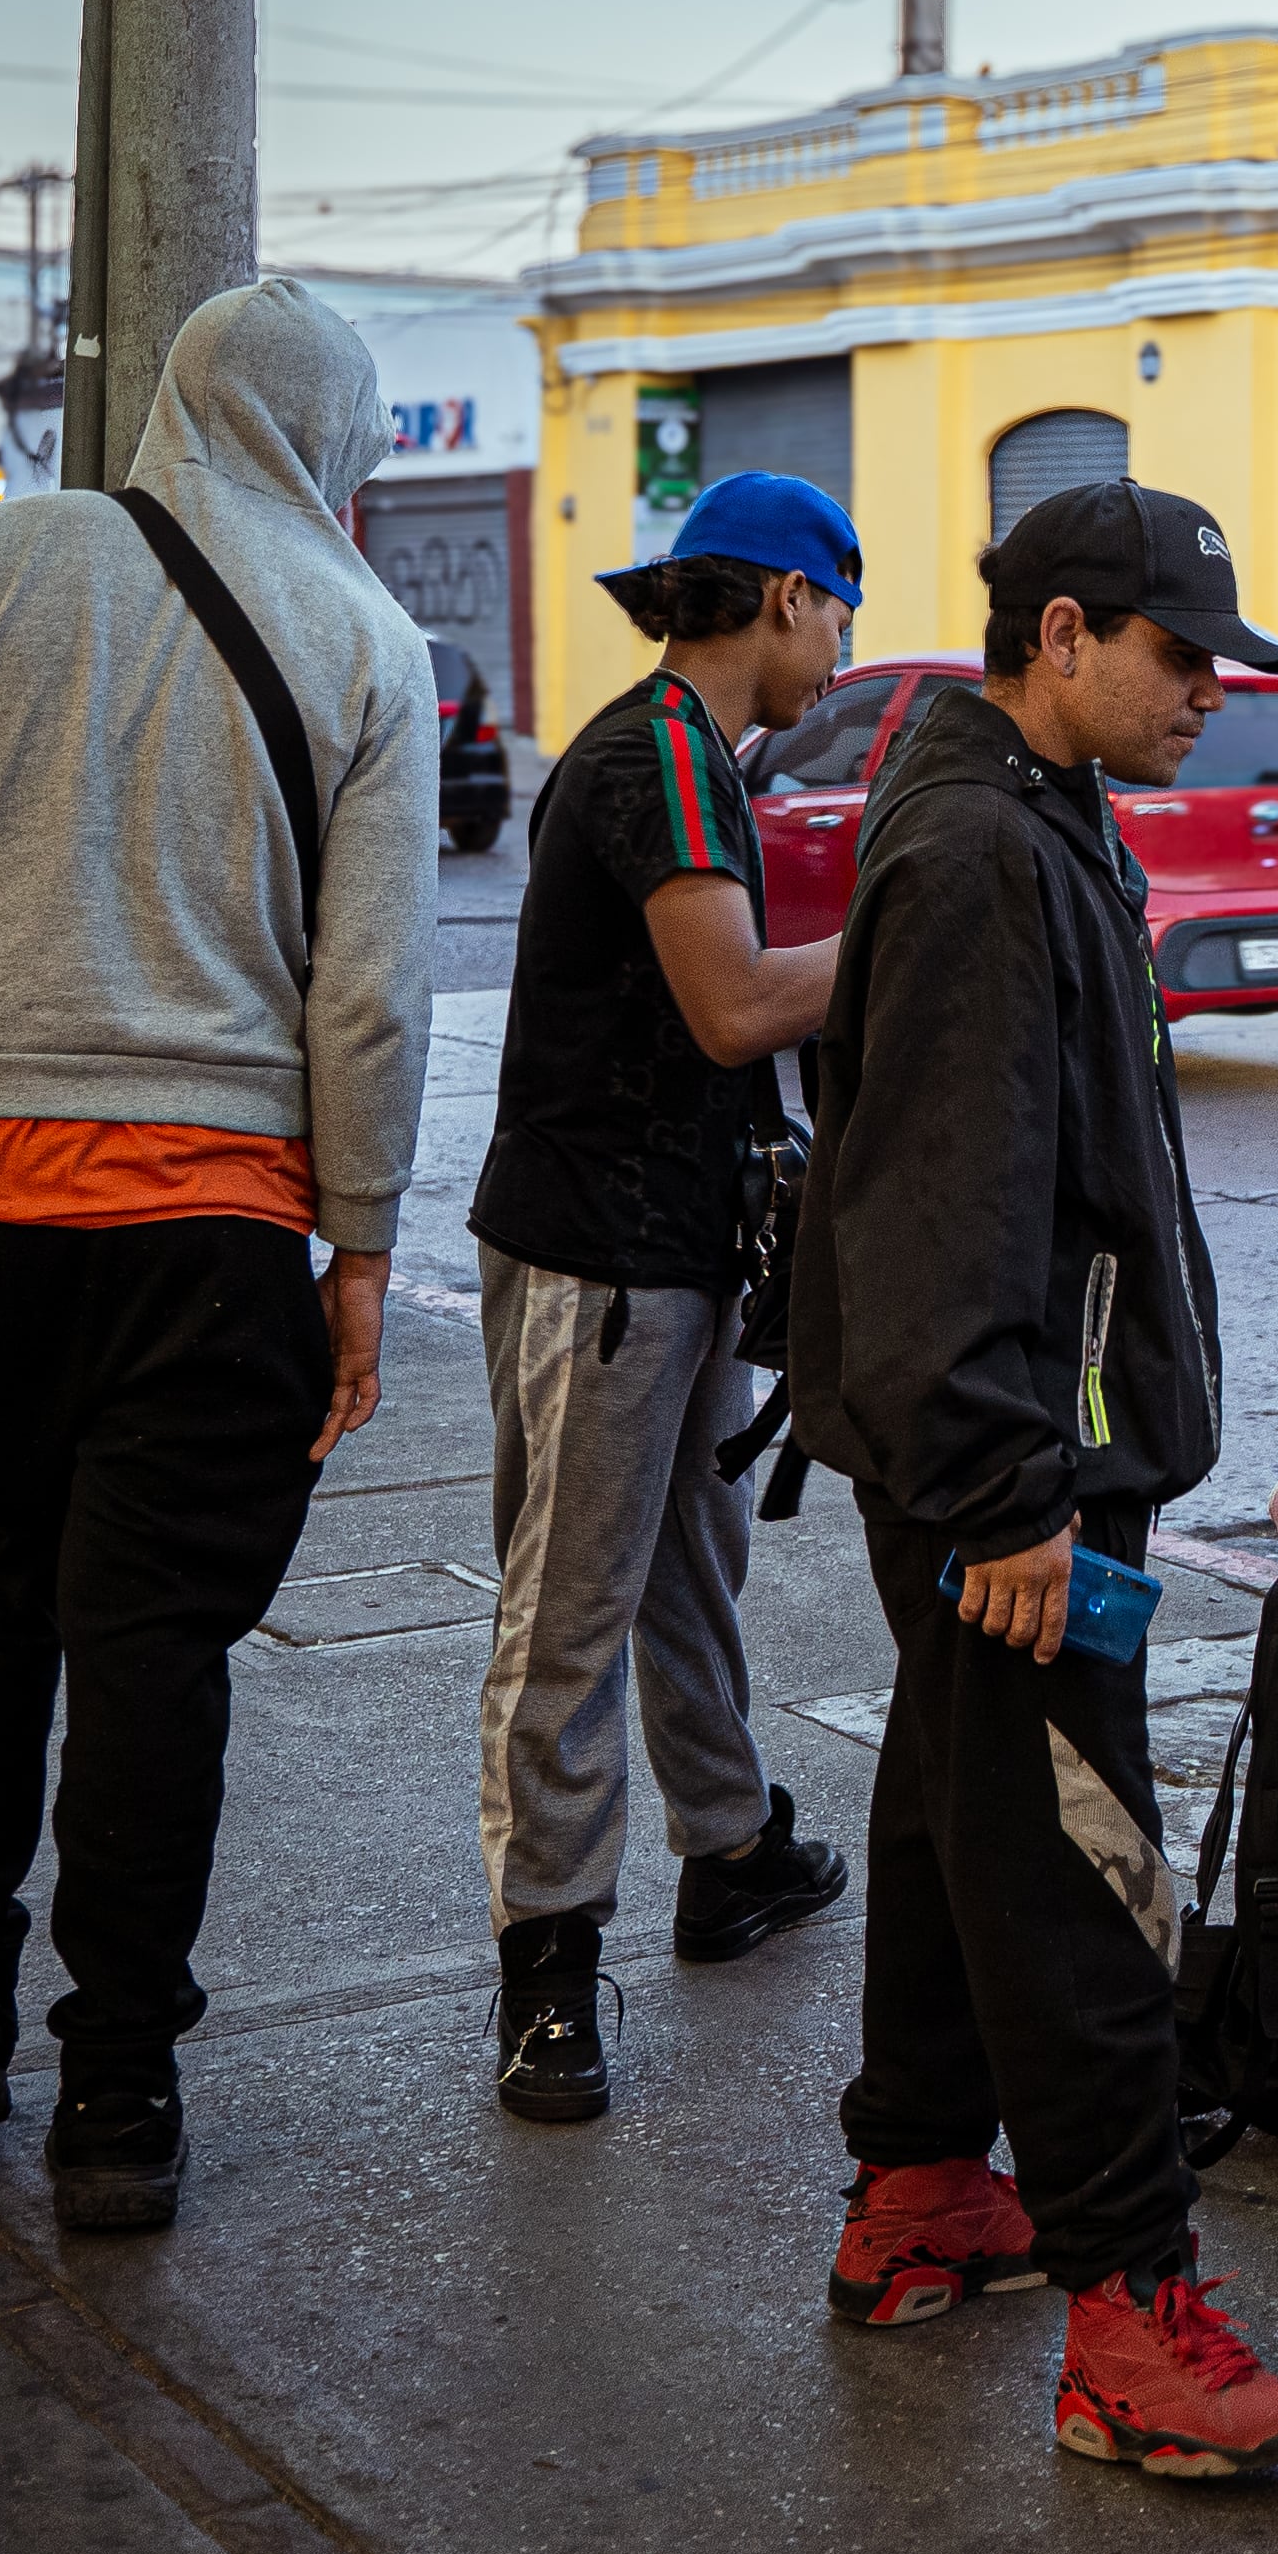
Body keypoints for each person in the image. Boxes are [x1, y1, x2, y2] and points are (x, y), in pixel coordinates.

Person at [0, 277, 436, 2232]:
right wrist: (358, 1255)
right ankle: (119, 2088)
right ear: (341, 439)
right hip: (213, 1245)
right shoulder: (371, 638)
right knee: (154, 1667)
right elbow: (367, 1004)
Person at [788, 479, 1278, 2479]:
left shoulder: (1040, 817)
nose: (1214, 694)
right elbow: (946, 1199)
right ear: (1067, 637)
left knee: (956, 1809)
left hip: (1009, 1444)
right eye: (1188, 657)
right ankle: (1130, 2316)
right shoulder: (976, 853)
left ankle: (923, 2188)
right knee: (1079, 1856)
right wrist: (1007, 1487)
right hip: (1013, 1465)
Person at [464, 471, 861, 2123]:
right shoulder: (658, 763)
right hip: (600, 1258)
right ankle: (547, 1972)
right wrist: (916, 916)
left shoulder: (692, 754)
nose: (843, 645)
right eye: (838, 608)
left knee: (688, 1565)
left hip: (670, 1245)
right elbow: (731, 1005)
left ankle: (730, 1846)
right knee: (569, 1602)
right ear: (779, 596)